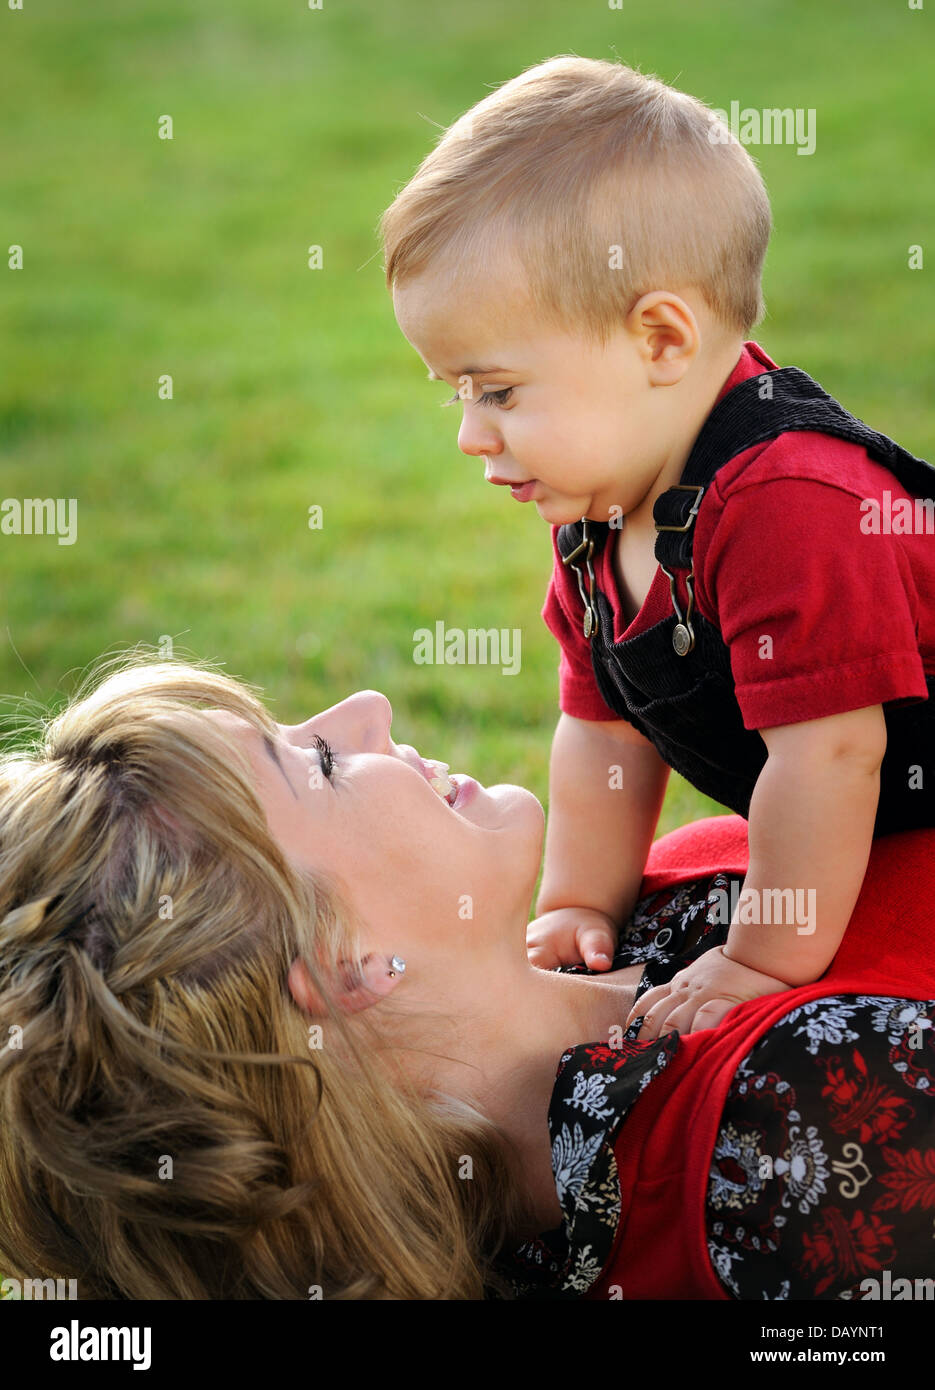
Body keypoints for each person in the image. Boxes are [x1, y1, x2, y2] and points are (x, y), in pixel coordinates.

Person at [0, 656, 932, 1300]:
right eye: (319, 764)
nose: (366, 707)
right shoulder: (787, 1134)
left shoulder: (638, 913)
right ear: (346, 966)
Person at [381, 54, 935, 1038]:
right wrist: (577, 903)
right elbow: (602, 729)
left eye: (497, 388)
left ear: (661, 341)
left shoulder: (787, 504)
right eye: (454, 392)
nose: (470, 431)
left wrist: (760, 957)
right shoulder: (598, 515)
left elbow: (830, 751)